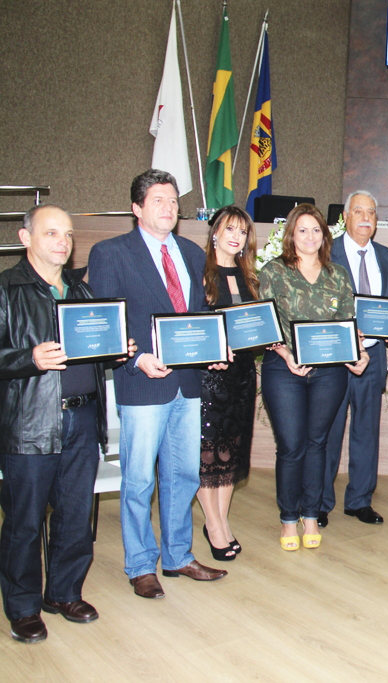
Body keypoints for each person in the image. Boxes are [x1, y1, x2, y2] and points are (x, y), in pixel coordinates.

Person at [89, 169, 228, 599]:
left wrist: (215, 349)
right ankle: (139, 564)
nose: (169, 209)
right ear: (137, 208)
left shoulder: (190, 252)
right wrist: (135, 358)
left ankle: (178, 556)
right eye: (159, 201)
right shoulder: (109, 253)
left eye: (173, 202)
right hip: (142, 384)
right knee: (138, 482)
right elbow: (104, 322)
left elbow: (201, 315)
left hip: (187, 384)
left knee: (183, 476)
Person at [0, 206, 135, 643]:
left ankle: (63, 593)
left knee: (76, 517)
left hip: (82, 417)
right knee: (24, 521)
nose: (62, 241)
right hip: (31, 424)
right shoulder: (6, 289)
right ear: (25, 237)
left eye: (68, 234)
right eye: (51, 232)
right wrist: (29, 359)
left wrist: (114, 351)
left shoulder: (82, 289)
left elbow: (90, 348)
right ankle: (22, 606)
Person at [259, 204, 368, 551]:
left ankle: (311, 514)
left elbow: (349, 325)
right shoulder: (274, 271)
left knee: (317, 443)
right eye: (302, 230)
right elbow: (266, 323)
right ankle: (289, 518)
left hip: (329, 372)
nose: (309, 236)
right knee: (291, 447)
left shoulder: (338, 275)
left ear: (325, 235)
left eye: (316, 230)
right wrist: (286, 355)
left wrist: (359, 354)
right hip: (283, 369)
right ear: (292, 234)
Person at [323, 190, 388, 528]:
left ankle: (359, 500)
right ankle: (320, 501)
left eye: (371, 212)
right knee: (328, 429)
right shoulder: (326, 251)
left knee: (367, 430)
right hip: (336, 357)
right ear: (345, 216)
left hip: (375, 356)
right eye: (359, 211)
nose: (366, 217)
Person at [197, 206, 259, 561]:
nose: (236, 236)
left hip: (242, 375)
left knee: (232, 452)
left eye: (242, 231)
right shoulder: (200, 273)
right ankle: (215, 524)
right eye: (229, 229)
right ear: (215, 232)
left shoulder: (249, 275)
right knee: (209, 453)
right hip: (210, 376)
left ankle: (219, 519)